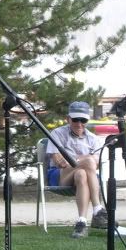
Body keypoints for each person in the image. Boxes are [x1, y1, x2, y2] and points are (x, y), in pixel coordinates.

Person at [46, 101, 108, 238]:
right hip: (60, 176)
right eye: (75, 119)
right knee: (89, 162)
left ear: (87, 120)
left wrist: (79, 161)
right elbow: (59, 162)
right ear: (68, 119)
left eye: (83, 120)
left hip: (83, 177)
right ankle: (97, 209)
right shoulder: (57, 133)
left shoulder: (93, 138)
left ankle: (81, 222)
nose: (79, 123)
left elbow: (98, 163)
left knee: (81, 174)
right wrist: (85, 159)